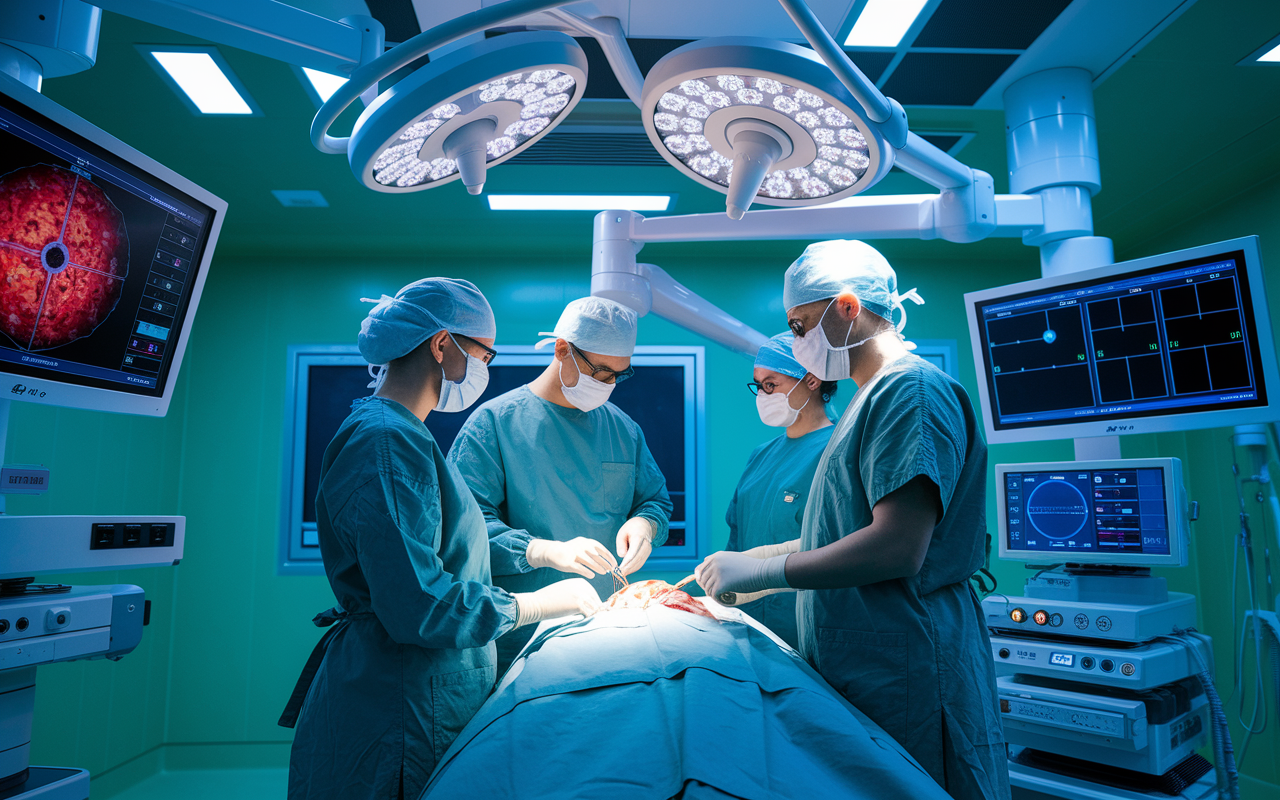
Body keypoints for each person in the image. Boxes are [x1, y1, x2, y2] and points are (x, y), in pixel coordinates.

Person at [695, 240, 1010, 799]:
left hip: (909, 661)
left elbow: (897, 546)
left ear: (845, 307)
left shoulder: (910, 390)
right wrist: (753, 560)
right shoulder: (870, 399)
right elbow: (839, 528)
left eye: (799, 325)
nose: (796, 342)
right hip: (872, 660)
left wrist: (767, 574)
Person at [284, 278, 602, 800]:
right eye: (485, 354)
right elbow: (419, 603)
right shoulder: (386, 441)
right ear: (441, 345)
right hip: (400, 703)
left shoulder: (402, 435)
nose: (486, 368)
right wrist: (533, 605)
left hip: (417, 693)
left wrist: (544, 551)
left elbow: (449, 541)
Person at [448, 296, 673, 672]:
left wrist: (644, 524)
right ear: (562, 349)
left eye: (619, 375)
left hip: (607, 631)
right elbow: (464, 532)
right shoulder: (494, 424)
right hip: (521, 643)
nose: (608, 384)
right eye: (600, 371)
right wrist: (541, 550)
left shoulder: (622, 429)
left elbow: (654, 501)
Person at [724, 332, 835, 648]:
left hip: (808, 634)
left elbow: (842, 545)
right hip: (749, 630)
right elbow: (737, 542)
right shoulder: (761, 455)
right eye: (758, 386)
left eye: (771, 384)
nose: (762, 394)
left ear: (811, 380)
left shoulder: (837, 451)